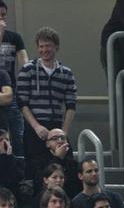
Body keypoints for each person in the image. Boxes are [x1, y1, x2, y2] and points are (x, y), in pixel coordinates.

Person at [15, 28, 77, 176]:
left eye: (48, 46)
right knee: (35, 169)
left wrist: (63, 132)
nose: (44, 50)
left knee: (65, 167)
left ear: (56, 47)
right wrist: (36, 126)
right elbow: (22, 103)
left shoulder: (66, 73)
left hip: (57, 125)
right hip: (34, 128)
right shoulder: (27, 70)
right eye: (41, 46)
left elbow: (71, 105)